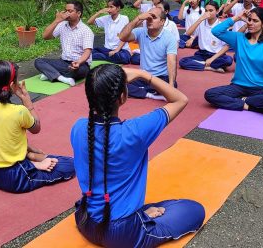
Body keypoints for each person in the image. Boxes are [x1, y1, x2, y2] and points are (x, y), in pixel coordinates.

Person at [71, 64, 205, 247]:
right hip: (122, 233)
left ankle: (141, 216)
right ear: (122, 97)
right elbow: (180, 100)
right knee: (194, 209)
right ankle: (140, 218)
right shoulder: (135, 131)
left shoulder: (78, 127)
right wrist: (144, 75)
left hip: (85, 220)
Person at [0, 60, 75, 193]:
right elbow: (36, 128)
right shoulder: (18, 111)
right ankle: (33, 163)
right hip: (16, 176)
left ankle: (33, 158)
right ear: (12, 85)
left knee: (49, 158)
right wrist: (27, 102)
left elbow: (3, 139)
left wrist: (31, 153)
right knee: (70, 165)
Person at [205, 8, 263, 118]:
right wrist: (236, 18)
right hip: (239, 86)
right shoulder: (239, 38)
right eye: (249, 20)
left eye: (255, 21)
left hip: (261, 88)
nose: (250, 23)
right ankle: (247, 105)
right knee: (210, 94)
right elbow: (216, 31)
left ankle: (242, 100)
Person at [119, 7, 178, 101]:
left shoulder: (169, 38)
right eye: (148, 17)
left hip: (160, 78)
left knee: (171, 85)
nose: (149, 20)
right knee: (118, 84)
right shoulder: (141, 32)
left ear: (162, 21)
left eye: (153, 17)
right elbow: (122, 37)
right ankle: (150, 94)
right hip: (143, 76)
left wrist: (171, 85)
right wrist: (138, 18)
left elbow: (171, 62)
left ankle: (144, 91)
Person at [35, 0, 94, 87]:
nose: (66, 13)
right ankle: (62, 78)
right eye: (65, 11)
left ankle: (51, 74)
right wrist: (56, 20)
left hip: (80, 65)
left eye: (70, 11)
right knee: (38, 61)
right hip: (63, 62)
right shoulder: (62, 25)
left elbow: (87, 52)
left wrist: (78, 62)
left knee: (77, 71)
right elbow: (45, 36)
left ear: (78, 13)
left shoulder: (86, 30)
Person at [179, 1, 232, 73]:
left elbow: (227, 46)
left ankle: (203, 64)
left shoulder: (222, 25)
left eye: (211, 10)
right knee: (183, 61)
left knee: (228, 60)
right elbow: (188, 33)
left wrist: (212, 59)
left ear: (217, 11)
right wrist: (200, 19)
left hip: (216, 55)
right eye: (206, 11)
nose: (208, 13)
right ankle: (209, 67)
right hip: (202, 54)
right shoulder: (201, 22)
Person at [87, 0, 131, 64]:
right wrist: (99, 12)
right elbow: (89, 22)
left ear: (118, 8)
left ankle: (103, 57)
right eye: (108, 7)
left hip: (121, 50)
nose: (108, 9)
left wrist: (116, 50)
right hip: (107, 50)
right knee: (90, 52)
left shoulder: (124, 19)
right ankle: (107, 57)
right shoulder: (105, 18)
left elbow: (125, 36)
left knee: (124, 58)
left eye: (111, 7)